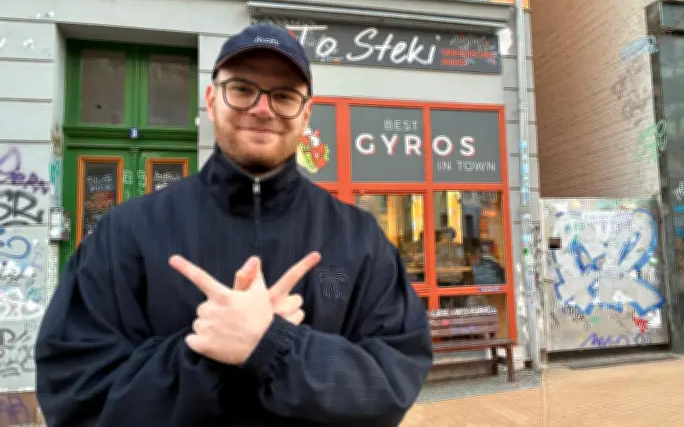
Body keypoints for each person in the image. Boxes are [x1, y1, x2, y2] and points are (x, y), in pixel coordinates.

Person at [34, 24, 433, 426]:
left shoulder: (358, 237)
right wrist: (207, 357)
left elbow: (393, 381)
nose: (263, 109)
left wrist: (273, 346)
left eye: (284, 96)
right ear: (212, 100)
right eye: (242, 89)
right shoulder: (125, 232)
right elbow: (78, 398)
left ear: (306, 114)